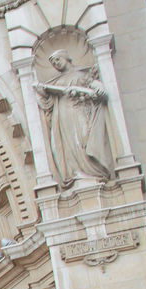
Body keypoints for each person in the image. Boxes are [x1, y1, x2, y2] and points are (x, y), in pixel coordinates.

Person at [35, 49, 113, 187]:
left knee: (82, 139)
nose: (56, 64)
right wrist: (43, 93)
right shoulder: (56, 82)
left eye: (58, 60)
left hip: (80, 112)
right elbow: (48, 104)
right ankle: (76, 173)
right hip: (63, 116)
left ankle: (91, 172)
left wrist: (98, 88)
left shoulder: (81, 74)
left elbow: (96, 87)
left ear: (67, 58)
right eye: (53, 63)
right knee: (70, 144)